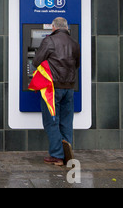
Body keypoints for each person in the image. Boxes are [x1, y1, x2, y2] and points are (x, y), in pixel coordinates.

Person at [33, 17, 80, 166]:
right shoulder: (74, 43)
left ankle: (57, 155)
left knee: (51, 121)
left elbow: (35, 61)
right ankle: (67, 154)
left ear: (53, 27)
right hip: (69, 88)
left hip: (52, 89)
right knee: (66, 121)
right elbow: (77, 64)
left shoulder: (49, 41)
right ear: (66, 27)